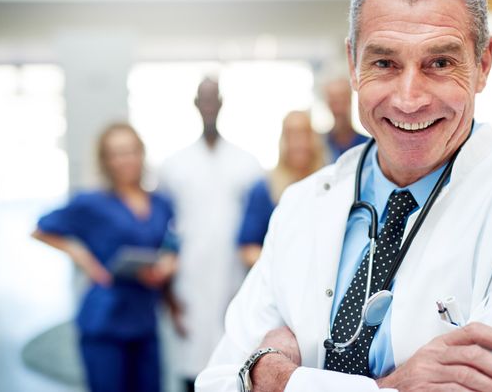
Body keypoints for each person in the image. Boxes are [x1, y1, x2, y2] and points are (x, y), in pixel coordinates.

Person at [196, 0, 492, 392]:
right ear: (354, 63)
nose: (409, 99)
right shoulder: (302, 204)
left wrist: (277, 378)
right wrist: (397, 386)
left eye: (440, 63)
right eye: (384, 63)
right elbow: (220, 380)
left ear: (484, 64)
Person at [32, 123, 177, 392]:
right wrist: (81, 255)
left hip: (144, 316)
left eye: (131, 151)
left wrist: (168, 263)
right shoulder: (91, 203)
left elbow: (171, 242)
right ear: (106, 160)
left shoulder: (160, 203)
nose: (126, 159)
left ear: (142, 153)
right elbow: (41, 229)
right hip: (106, 317)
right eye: (117, 153)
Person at [158, 77, 262, 391]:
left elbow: (257, 230)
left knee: (233, 368)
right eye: (203, 99)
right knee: (191, 364)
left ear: (221, 104)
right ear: (194, 104)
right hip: (188, 281)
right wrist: (169, 295)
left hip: (234, 279)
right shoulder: (173, 166)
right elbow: (164, 233)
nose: (208, 106)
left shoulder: (247, 164)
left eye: (213, 99)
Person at [237, 110, 326, 268]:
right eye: (291, 135)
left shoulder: (329, 182)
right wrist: (283, 268)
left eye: (303, 134)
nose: (298, 142)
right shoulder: (264, 188)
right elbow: (247, 248)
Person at [323, 77, 369, 161]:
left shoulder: (367, 146)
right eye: (334, 102)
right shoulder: (320, 145)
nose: (338, 109)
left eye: (342, 100)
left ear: (350, 101)